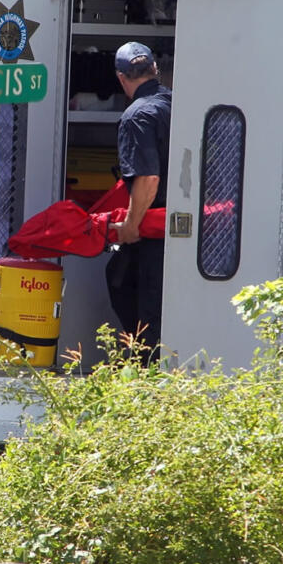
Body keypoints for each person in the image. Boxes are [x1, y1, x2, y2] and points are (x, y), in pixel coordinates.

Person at [106, 41, 172, 355]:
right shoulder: (178, 103)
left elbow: (148, 179)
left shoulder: (136, 117)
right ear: (155, 70)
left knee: (144, 309)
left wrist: (131, 225)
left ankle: (147, 382)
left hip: (153, 234)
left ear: (121, 78)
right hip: (188, 233)